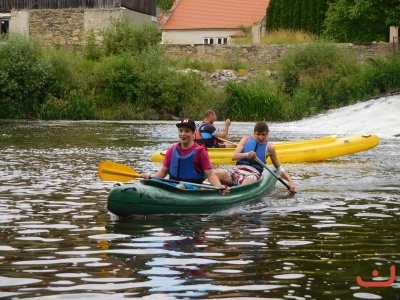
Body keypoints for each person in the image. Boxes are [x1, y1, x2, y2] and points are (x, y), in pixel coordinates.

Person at [141, 118, 230, 195]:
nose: (183, 134)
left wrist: (219, 187)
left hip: (193, 187)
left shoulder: (201, 152)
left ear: (193, 133)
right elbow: (162, 173)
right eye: (181, 130)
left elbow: (210, 175)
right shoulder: (172, 150)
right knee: (151, 182)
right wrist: (150, 177)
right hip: (172, 184)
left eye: (187, 131)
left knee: (182, 186)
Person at [214, 121, 296, 194]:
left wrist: (290, 182)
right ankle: (203, 192)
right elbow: (233, 156)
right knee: (216, 174)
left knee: (245, 183)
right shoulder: (245, 139)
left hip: (252, 174)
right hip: (237, 170)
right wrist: (246, 154)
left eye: (263, 134)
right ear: (254, 133)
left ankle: (231, 193)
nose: (261, 137)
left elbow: (279, 169)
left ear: (267, 134)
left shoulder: (270, 148)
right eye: (258, 134)